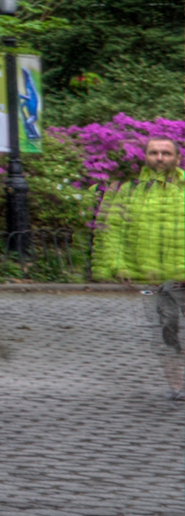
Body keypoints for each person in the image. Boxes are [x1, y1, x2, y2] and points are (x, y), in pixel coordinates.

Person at [88, 133, 185, 398]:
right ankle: (177, 386)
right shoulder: (130, 192)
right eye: (154, 153)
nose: (160, 158)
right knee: (167, 329)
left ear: (177, 157)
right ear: (146, 157)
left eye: (166, 153)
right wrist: (119, 265)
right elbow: (114, 230)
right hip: (156, 278)